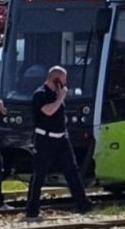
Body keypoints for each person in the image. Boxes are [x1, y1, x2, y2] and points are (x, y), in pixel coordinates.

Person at [25, 66, 93, 220]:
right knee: (39, 174)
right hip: (45, 139)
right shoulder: (40, 94)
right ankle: (32, 209)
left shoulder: (57, 94)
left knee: (72, 171)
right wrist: (61, 97)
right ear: (55, 79)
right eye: (63, 79)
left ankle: (83, 203)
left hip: (62, 138)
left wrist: (60, 97)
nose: (65, 83)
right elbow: (48, 110)